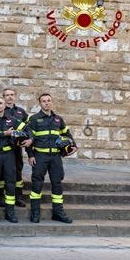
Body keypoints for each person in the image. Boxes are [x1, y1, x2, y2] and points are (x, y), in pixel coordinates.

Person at [27, 93, 78, 224]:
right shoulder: (34, 119)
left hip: (55, 157)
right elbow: (28, 138)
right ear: (40, 103)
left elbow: (67, 134)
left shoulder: (58, 119)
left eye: (49, 100)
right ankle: (35, 212)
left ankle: (58, 212)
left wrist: (74, 145)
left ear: (51, 102)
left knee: (57, 184)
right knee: (37, 184)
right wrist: (30, 155)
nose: (46, 103)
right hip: (40, 156)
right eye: (44, 101)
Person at [0, 97, 32, 223]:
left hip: (9, 155)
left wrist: (30, 139)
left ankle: (10, 213)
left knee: (10, 183)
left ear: (5, 105)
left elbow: (27, 129)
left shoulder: (13, 120)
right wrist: (5, 133)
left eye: (0, 103)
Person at [3, 88, 29, 208]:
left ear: (15, 96)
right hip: (3, 147)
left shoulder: (21, 112)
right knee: (3, 173)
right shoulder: (0, 111)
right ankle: (3, 197)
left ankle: (18, 197)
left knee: (18, 172)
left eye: (12, 94)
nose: (9, 97)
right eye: (7, 95)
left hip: (17, 148)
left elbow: (28, 129)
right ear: (4, 97)